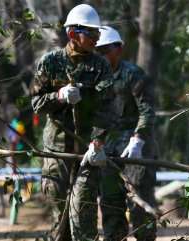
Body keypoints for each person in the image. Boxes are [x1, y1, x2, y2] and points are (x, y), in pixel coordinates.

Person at [30, 4, 115, 240]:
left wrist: (97, 144)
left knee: (83, 214)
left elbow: (106, 108)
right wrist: (59, 96)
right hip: (57, 152)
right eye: (90, 33)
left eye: (97, 33)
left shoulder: (101, 65)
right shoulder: (50, 62)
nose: (96, 38)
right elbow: (36, 102)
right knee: (61, 219)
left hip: (88, 151)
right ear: (72, 35)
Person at [95, 26, 157, 241]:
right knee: (111, 209)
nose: (101, 56)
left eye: (105, 50)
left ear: (118, 49)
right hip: (107, 154)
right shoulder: (93, 79)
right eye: (97, 51)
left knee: (141, 208)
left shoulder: (133, 74)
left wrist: (139, 139)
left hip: (135, 152)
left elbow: (147, 110)